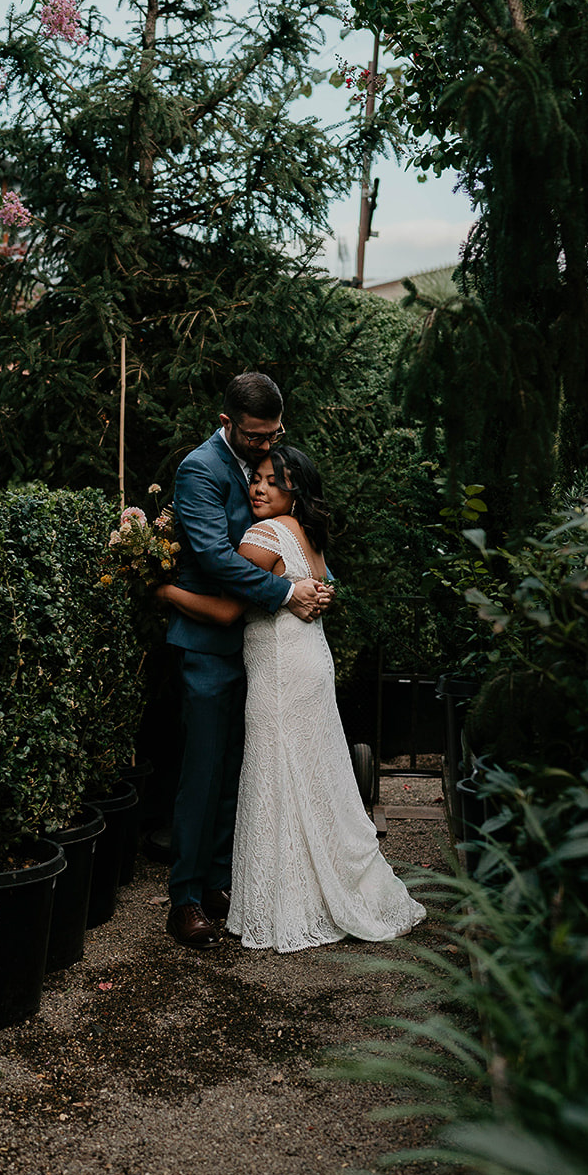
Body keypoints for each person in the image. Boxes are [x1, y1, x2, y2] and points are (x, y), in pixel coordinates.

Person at [158, 445, 426, 953]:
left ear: (294, 494)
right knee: (311, 776)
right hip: (310, 667)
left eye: (271, 483)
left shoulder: (264, 534)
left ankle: (286, 897)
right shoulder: (308, 536)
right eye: (255, 479)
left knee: (276, 779)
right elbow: (317, 583)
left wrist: (165, 593)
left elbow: (225, 611)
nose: (258, 489)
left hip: (281, 674)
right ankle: (308, 885)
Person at [163, 373, 331, 950]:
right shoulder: (199, 468)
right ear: (225, 420)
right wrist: (286, 593)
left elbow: (298, 534)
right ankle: (183, 900)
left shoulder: (269, 466)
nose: (265, 447)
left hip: (264, 649)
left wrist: (317, 584)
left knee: (241, 769)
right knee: (203, 771)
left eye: (273, 435)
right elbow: (210, 555)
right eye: (255, 437)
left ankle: (217, 882)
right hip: (209, 640)